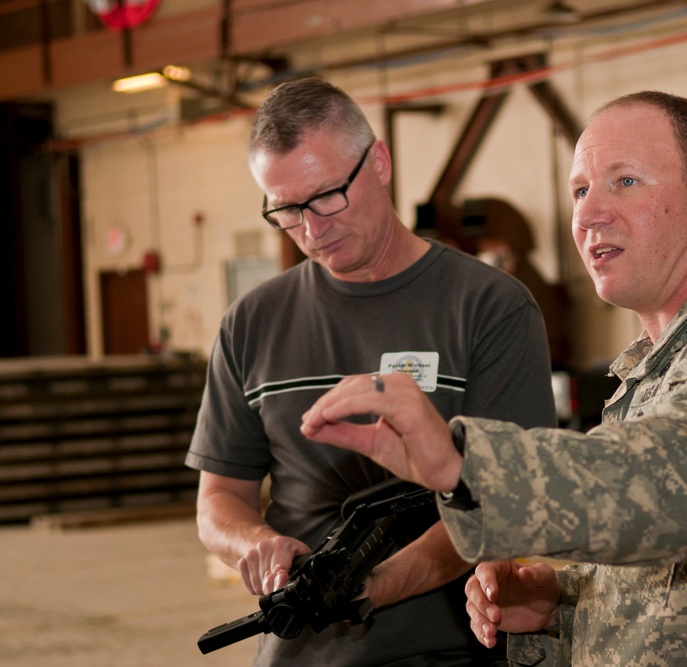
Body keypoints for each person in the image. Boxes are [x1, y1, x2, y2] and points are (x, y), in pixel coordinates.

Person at [299, 90, 687, 665]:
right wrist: (560, 605)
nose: (588, 212)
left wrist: (463, 465)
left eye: (625, 182)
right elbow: (686, 590)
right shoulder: (655, 371)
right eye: (580, 190)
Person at [184, 77, 557, 666]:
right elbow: (219, 500)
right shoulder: (251, 322)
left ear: (378, 162)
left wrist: (371, 585)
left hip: (447, 652)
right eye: (285, 209)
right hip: (294, 655)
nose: (312, 227)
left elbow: (508, 503)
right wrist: (252, 543)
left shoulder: (489, 307)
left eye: (328, 195)